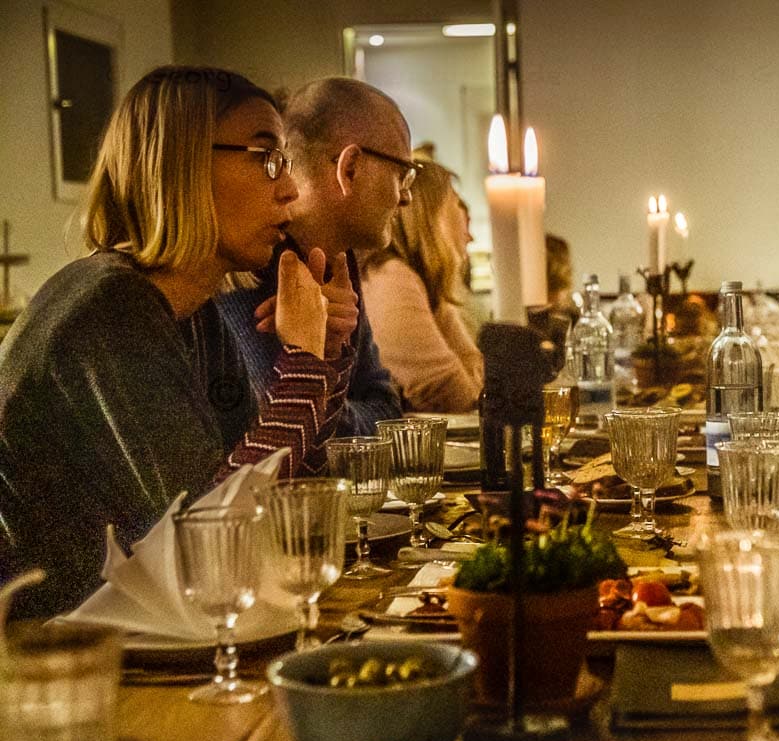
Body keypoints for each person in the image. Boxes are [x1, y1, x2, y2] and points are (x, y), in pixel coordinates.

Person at [0, 66, 355, 619]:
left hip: (138, 633)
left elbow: (264, 491)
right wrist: (304, 365)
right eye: (266, 159)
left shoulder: (194, 309)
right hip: (51, 655)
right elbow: (208, 541)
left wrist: (325, 357)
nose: (289, 188)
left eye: (284, 161)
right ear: (178, 167)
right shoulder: (109, 308)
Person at [215, 77, 403, 436]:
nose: (405, 197)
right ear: (350, 168)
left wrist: (325, 360)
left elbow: (387, 412)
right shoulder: (247, 263)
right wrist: (309, 363)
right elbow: (263, 440)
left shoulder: (336, 263)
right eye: (402, 174)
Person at [362, 161, 483, 412]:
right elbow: (446, 389)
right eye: (456, 203)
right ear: (433, 216)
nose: (469, 235)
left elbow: (474, 369)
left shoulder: (421, 281)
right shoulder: (391, 277)